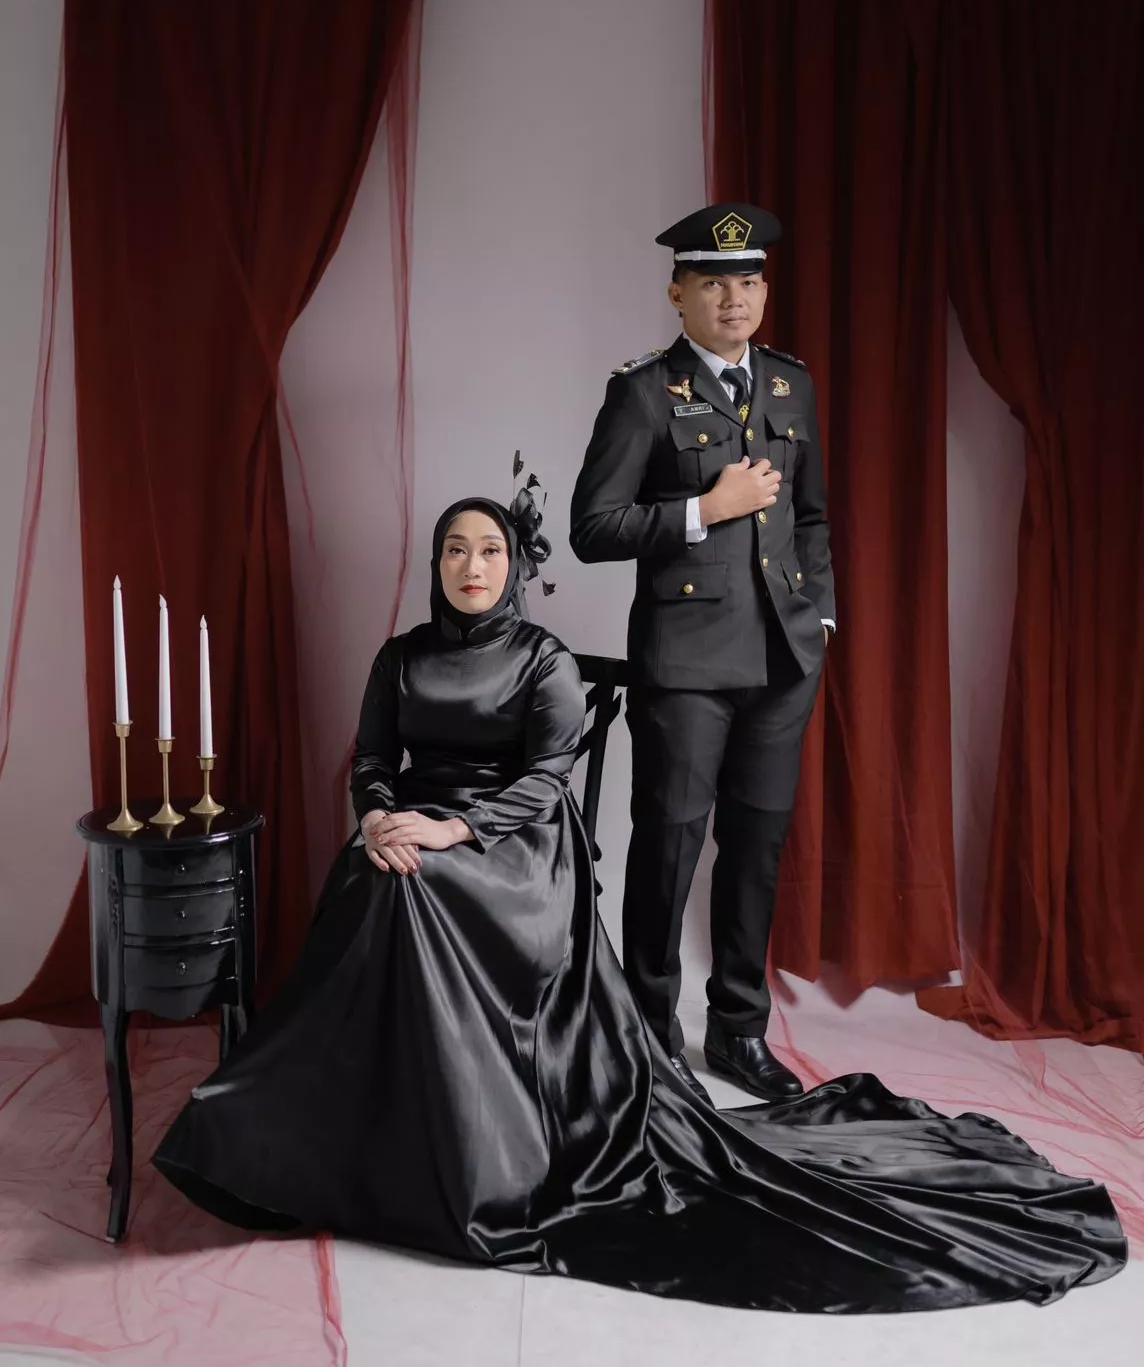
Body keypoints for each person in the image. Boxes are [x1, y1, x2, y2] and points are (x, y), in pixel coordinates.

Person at [154, 492, 1126, 1311]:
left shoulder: (541, 658)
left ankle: (469, 1159)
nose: (471, 565)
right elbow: (372, 758)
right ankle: (318, 1135)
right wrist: (375, 816)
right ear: (437, 564)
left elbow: (548, 777)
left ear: (513, 565)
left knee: (418, 889)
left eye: (488, 550)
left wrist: (455, 831)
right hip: (409, 828)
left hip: (516, 844)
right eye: (454, 550)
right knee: (374, 879)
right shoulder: (399, 656)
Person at [571, 201, 832, 1105]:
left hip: (782, 661)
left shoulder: (791, 385)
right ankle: (649, 1034)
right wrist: (702, 510)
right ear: (677, 292)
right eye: (714, 283)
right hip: (684, 667)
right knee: (670, 846)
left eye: (749, 281)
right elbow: (593, 527)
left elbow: (811, 519)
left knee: (756, 850)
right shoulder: (645, 392)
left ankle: (739, 1032)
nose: (734, 299)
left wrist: (821, 619)